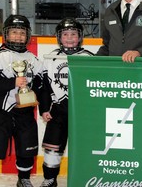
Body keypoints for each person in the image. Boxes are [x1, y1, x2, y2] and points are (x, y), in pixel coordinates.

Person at [0, 15, 45, 187]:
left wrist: (45, 108)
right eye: (14, 32)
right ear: (6, 34)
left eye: (22, 32)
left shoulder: (35, 61)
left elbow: (42, 87)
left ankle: (24, 179)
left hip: (26, 114)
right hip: (1, 114)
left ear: (27, 35)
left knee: (27, 151)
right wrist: (12, 82)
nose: (18, 36)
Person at [39, 18, 94, 187]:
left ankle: (86, 178)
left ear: (80, 37)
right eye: (65, 34)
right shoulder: (50, 58)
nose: (69, 38)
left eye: (73, 34)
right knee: (52, 147)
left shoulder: (89, 58)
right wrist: (44, 108)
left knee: (86, 147)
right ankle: (49, 178)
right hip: (57, 111)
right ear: (58, 37)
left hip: (82, 111)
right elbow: (44, 86)